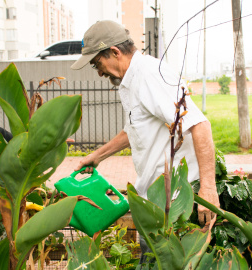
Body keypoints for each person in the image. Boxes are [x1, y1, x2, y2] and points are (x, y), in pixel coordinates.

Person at [71, 21, 220, 226]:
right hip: (156, 201)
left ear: (115, 52)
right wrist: (98, 156)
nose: (99, 72)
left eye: (97, 64)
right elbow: (133, 130)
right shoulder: (131, 79)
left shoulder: (150, 75)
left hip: (175, 204)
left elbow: (200, 125)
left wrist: (208, 189)